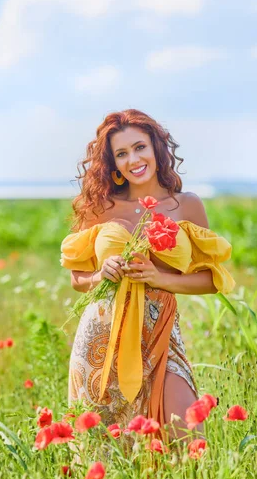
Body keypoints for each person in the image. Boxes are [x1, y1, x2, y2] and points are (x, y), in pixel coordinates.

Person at [60, 109, 235, 441]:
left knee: (187, 436)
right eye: (122, 153)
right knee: (107, 452)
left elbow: (212, 280)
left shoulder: (185, 205)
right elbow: (77, 279)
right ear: (113, 164)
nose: (133, 159)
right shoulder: (100, 207)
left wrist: (159, 278)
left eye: (140, 147)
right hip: (101, 340)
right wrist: (100, 275)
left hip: (161, 333)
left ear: (156, 148)